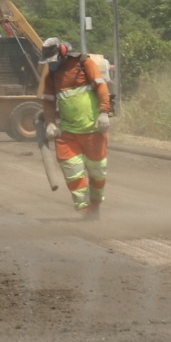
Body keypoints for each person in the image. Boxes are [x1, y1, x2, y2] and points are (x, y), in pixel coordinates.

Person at [39, 36, 112, 217]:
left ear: (63, 53)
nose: (52, 65)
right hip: (68, 133)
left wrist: (104, 112)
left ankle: (95, 206)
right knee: (72, 173)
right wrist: (49, 123)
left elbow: (102, 88)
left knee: (98, 172)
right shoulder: (52, 75)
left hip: (93, 130)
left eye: (54, 61)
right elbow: (48, 101)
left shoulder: (83, 63)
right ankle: (85, 210)